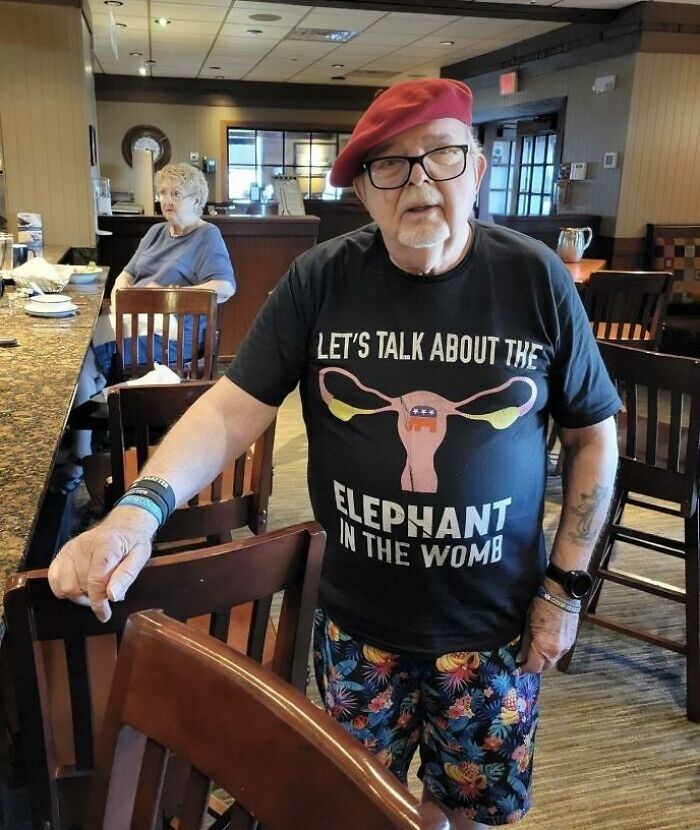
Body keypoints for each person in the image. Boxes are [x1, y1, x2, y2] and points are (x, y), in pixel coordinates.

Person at [49, 79, 619, 827]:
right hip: (356, 628)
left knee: (475, 816)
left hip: (497, 631)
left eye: (440, 156)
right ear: (363, 191)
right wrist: (136, 510)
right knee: (348, 809)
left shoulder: (535, 278)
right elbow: (227, 411)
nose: (418, 181)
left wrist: (564, 587)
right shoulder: (322, 279)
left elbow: (592, 436)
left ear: (476, 171)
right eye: (390, 165)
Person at [61, 162, 235, 492]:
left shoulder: (207, 236)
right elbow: (127, 273)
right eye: (162, 194)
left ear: (197, 199)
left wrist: (169, 296)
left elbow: (225, 287)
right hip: (134, 323)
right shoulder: (156, 232)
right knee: (78, 344)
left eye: (176, 194)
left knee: (88, 354)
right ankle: (86, 445)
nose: (166, 200)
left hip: (171, 334)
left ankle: (86, 445)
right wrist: (121, 294)